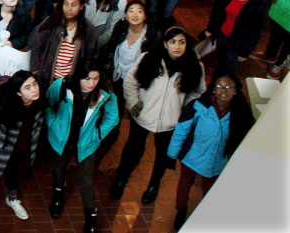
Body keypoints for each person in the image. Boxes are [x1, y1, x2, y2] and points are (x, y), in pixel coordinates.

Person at [112, 27, 205, 203]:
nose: (177, 46)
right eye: (172, 42)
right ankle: (121, 179)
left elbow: (198, 92)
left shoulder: (194, 65)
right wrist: (133, 104)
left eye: (181, 42)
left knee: (163, 155)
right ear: (165, 43)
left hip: (170, 123)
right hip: (142, 116)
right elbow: (130, 82)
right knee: (133, 149)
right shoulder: (149, 58)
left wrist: (183, 112)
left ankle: (154, 185)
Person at [168, 74, 254, 230]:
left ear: (235, 91)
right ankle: (181, 210)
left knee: (211, 192)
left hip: (217, 161)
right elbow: (181, 130)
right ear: (213, 89)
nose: (223, 91)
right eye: (219, 86)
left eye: (228, 87)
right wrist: (172, 154)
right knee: (185, 183)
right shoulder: (197, 106)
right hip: (192, 157)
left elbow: (244, 140)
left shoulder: (240, 113)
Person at [44, 59, 119, 232]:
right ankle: (58, 195)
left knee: (86, 181)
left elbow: (113, 117)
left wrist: (97, 134)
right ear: (78, 77)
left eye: (96, 78)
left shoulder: (105, 94)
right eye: (87, 78)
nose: (92, 83)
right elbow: (49, 103)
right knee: (58, 169)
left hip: (85, 144)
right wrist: (53, 124)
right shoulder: (62, 85)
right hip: (62, 139)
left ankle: (91, 219)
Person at [0, 70, 44, 223]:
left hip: (20, 148)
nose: (34, 89)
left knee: (13, 173)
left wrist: (31, 150)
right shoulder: (4, 105)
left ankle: (12, 198)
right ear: (19, 93)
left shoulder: (38, 105)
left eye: (34, 84)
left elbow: (36, 128)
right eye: (27, 87)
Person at [28, 0, 98, 90]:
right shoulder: (51, 22)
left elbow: (92, 56)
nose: (69, 9)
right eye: (66, 4)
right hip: (47, 76)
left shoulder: (88, 30)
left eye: (74, 5)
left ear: (81, 6)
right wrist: (35, 71)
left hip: (70, 80)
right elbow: (35, 45)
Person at [204, 0, 268, 75]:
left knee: (228, 70)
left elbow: (256, 30)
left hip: (238, 43)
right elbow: (217, 12)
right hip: (222, 35)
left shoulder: (259, 3)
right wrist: (211, 29)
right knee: (220, 62)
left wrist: (245, 52)